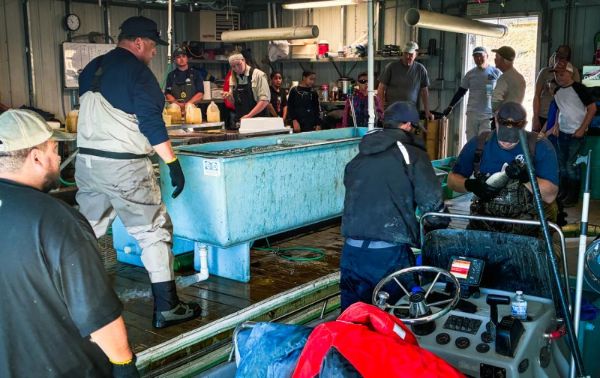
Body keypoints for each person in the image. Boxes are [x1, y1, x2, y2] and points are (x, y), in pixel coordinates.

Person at [76, 16, 201, 329]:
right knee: (153, 232)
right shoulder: (138, 73)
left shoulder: (93, 68)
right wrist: (173, 164)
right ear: (139, 42)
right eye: (153, 46)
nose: (154, 53)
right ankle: (168, 308)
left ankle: (76, 301)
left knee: (88, 230)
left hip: (88, 164)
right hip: (124, 167)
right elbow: (151, 124)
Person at [0, 109, 138, 377]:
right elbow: (97, 314)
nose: (59, 156)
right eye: (54, 149)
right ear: (37, 157)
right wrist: (124, 366)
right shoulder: (56, 220)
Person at [339, 101, 448, 311]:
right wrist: (439, 227)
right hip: (388, 255)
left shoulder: (359, 157)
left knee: (353, 320)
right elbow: (432, 205)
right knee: (394, 318)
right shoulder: (412, 154)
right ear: (408, 125)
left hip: (351, 252)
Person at [447, 102, 559, 235]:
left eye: (512, 138)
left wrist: (527, 178)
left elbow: (550, 196)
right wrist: (470, 184)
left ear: (524, 125)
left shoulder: (540, 146)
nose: (507, 141)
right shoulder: (479, 144)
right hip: (484, 225)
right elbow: (451, 180)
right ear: (496, 120)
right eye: (504, 136)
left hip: (529, 230)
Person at [547, 62, 597, 207]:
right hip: (563, 131)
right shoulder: (557, 91)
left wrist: (582, 128)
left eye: (561, 74)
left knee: (571, 164)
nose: (558, 77)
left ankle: (573, 196)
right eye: (556, 74)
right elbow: (559, 109)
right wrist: (556, 124)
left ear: (570, 73)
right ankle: (563, 192)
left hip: (576, 133)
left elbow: (592, 109)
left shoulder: (580, 88)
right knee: (562, 164)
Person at [443, 47, 502, 140]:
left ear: (487, 56)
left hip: (488, 114)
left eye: (480, 56)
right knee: (471, 141)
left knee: (485, 141)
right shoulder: (470, 74)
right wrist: (450, 106)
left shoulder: (496, 73)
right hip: (472, 113)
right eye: (475, 56)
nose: (478, 58)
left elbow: (503, 92)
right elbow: (461, 91)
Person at [377, 41, 434, 120]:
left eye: (410, 54)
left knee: (410, 131)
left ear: (416, 54)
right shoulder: (391, 67)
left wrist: (427, 111)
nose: (407, 56)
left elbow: (424, 91)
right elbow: (381, 88)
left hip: (411, 113)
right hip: (392, 113)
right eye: (405, 53)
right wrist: (381, 109)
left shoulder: (420, 69)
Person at [532, 45, 581, 132]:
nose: (559, 58)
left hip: (561, 117)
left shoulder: (574, 71)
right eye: (557, 55)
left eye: (563, 56)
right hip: (543, 114)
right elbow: (536, 95)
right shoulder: (544, 72)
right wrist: (535, 117)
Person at [224, 53, 270, 124]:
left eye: (238, 64)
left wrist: (249, 116)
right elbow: (236, 103)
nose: (236, 68)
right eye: (233, 66)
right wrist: (230, 98)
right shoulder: (232, 78)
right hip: (242, 121)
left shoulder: (258, 75)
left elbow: (264, 101)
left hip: (259, 122)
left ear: (244, 60)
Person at [164, 47, 204, 112]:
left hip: (193, 110)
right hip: (176, 111)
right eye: (178, 57)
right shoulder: (171, 75)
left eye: (184, 56)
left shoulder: (196, 74)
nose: (181, 59)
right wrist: (178, 105)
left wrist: (188, 104)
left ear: (187, 58)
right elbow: (168, 94)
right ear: (174, 60)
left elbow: (200, 93)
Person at [491, 46, 526, 113]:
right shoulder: (520, 77)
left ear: (503, 60)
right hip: (515, 117)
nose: (494, 59)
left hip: (503, 119)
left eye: (496, 57)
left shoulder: (504, 78)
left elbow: (494, 104)